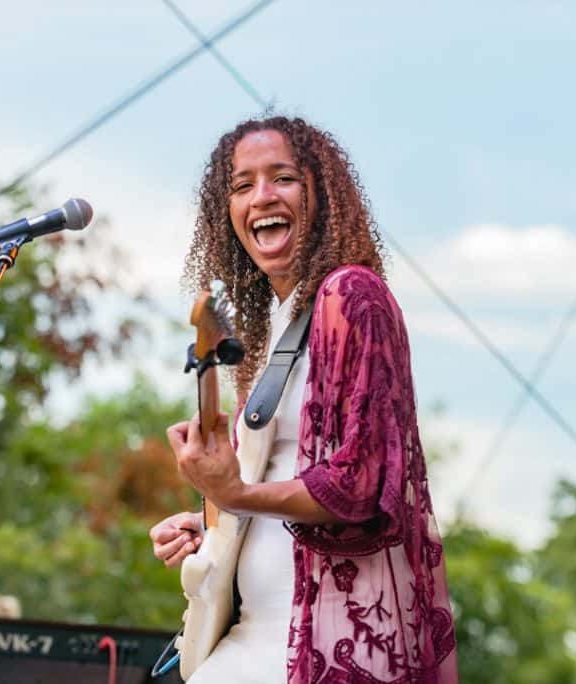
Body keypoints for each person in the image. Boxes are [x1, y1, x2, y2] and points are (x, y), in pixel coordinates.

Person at [151, 116, 458, 683]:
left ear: (321, 194)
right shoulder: (273, 327)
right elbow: (287, 478)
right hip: (261, 631)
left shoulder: (351, 294)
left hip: (333, 633)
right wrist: (216, 518)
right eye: (241, 186)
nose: (261, 196)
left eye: (282, 178)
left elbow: (362, 483)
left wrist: (237, 492)